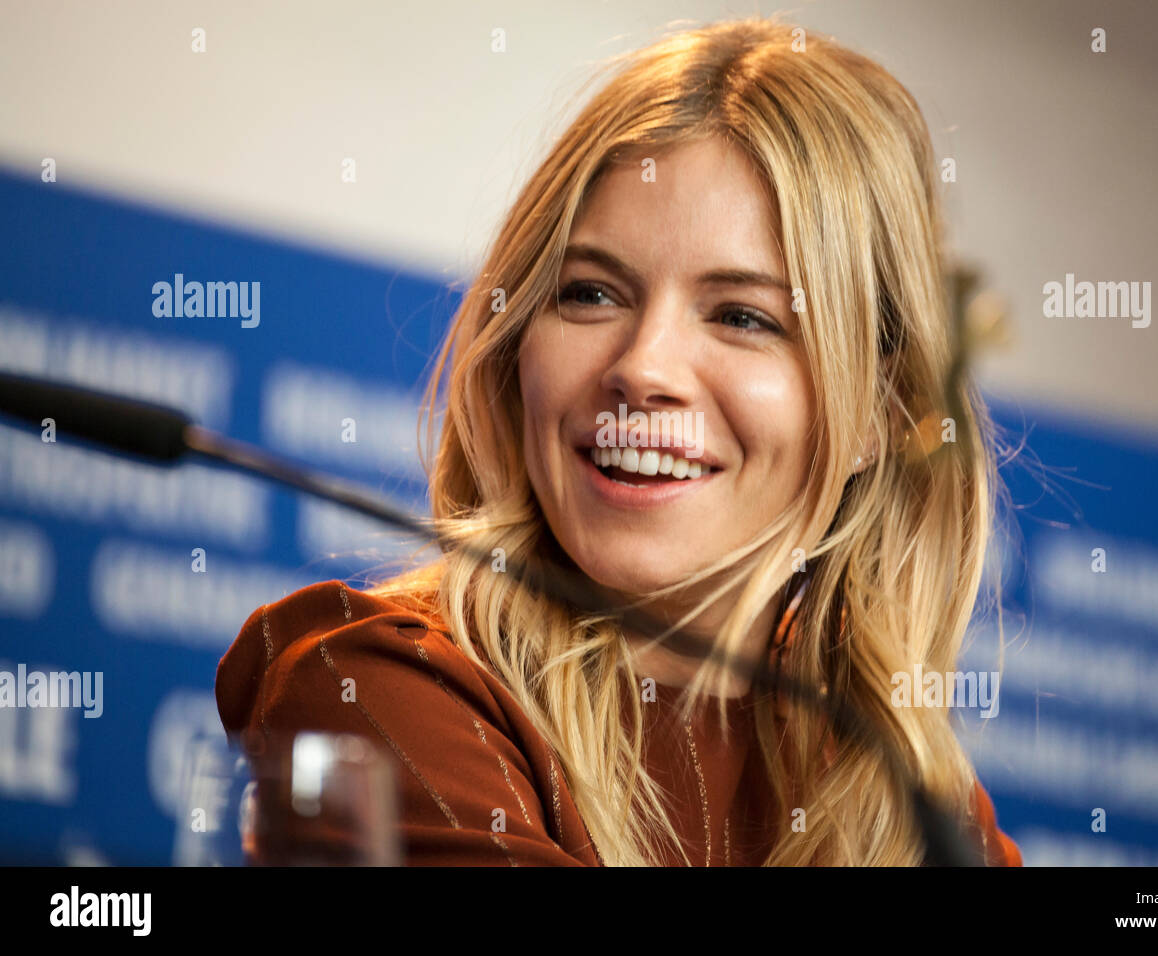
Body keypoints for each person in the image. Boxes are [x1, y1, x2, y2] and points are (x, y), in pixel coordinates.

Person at [216, 16, 1022, 867]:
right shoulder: (373, 680)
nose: (643, 368)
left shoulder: (897, 788)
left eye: (743, 316)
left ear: (881, 415)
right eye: (592, 294)